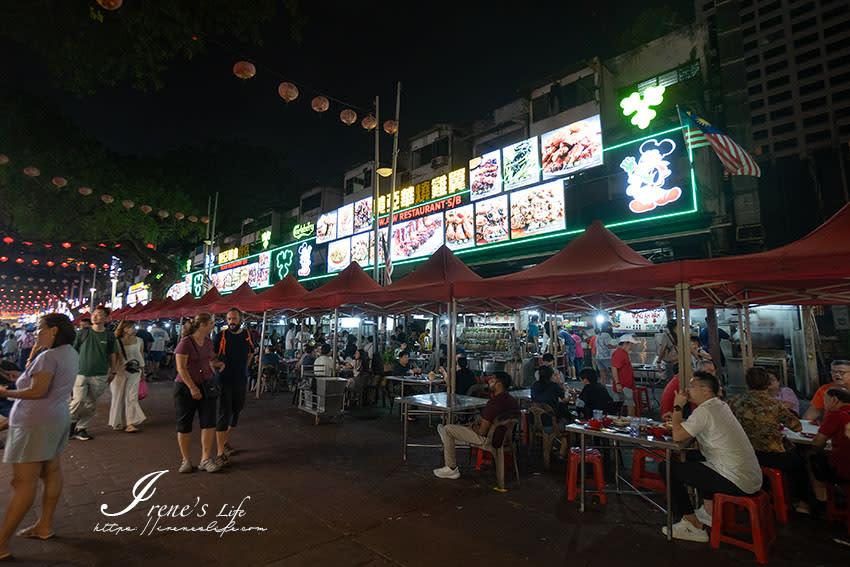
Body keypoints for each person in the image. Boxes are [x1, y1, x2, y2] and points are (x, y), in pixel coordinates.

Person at [0, 314, 78, 557]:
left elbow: (38, 391)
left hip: (34, 423)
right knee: (51, 471)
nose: (36, 332)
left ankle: (1, 544)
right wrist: (19, 379)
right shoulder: (69, 353)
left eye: (39, 328)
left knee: (22, 483)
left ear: (54, 330)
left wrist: (5, 393)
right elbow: (43, 384)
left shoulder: (49, 356)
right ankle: (43, 525)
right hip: (55, 418)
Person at [664, 371, 762, 542]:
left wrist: (677, 407)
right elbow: (697, 426)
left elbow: (678, 436)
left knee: (668, 469)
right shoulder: (719, 406)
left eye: (691, 385)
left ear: (705, 391)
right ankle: (708, 510)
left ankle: (692, 523)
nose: (687, 389)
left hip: (736, 479)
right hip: (750, 477)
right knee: (694, 456)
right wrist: (678, 419)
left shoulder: (705, 411)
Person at [730, 367, 809, 513]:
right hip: (771, 456)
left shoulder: (735, 402)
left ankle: (766, 493)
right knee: (800, 462)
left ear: (747, 383)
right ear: (767, 384)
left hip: (745, 455)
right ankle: (803, 503)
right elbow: (797, 427)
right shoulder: (774, 404)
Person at [433, 371, 520, 479]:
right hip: (506, 439)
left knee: (447, 429)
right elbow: (496, 419)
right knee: (457, 431)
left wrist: (473, 426)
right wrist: (481, 422)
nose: (489, 382)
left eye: (492, 380)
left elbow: (482, 432)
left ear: (499, 384)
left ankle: (451, 468)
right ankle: (449, 439)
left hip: (489, 440)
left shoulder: (493, 403)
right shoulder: (512, 401)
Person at [173, 313, 225, 474]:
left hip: (206, 386)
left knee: (208, 422)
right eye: (210, 323)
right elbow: (181, 367)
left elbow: (208, 360)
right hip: (185, 387)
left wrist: (216, 364)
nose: (212, 326)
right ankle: (185, 459)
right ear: (202, 325)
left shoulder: (209, 342)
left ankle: (205, 458)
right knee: (184, 423)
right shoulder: (185, 343)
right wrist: (192, 387)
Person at [69, 305, 118, 441]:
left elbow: (112, 353)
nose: (95, 316)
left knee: (91, 403)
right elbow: (72, 351)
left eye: (99, 314)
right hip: (80, 372)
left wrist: (113, 370)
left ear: (105, 317)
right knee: (77, 400)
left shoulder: (109, 335)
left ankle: (81, 428)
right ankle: (69, 424)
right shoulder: (83, 333)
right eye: (94, 314)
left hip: (100, 374)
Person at [213, 308, 253, 466]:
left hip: (240, 380)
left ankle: (225, 442)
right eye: (229, 319)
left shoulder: (246, 335)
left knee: (236, 411)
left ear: (241, 319)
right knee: (224, 412)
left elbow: (250, 353)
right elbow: (212, 358)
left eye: (234, 319)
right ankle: (220, 452)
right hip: (224, 380)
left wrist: (244, 367)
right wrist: (217, 365)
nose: (231, 322)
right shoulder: (220, 336)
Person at [809, 386, 850, 502]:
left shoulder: (836, 415)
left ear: (834, 400)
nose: (824, 404)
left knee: (811, 455)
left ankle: (821, 498)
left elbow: (817, 443)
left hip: (844, 469)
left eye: (825, 400)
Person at [109, 321, 146, 433]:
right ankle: (116, 422)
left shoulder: (140, 340)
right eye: (131, 327)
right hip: (120, 371)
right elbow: (113, 358)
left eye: (134, 327)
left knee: (132, 396)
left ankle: (131, 423)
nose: (134, 329)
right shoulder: (117, 341)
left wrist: (143, 371)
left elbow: (141, 355)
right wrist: (112, 371)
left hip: (135, 371)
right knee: (117, 396)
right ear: (124, 329)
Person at [611, 334, 637, 417]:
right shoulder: (619, 353)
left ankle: (624, 423)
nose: (632, 346)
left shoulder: (623, 353)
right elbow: (614, 368)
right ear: (625, 343)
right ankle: (632, 425)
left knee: (622, 406)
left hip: (625, 385)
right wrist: (618, 383)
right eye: (631, 344)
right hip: (623, 385)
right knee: (629, 405)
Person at [655, 319, 679, 384]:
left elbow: (662, 349)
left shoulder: (666, 335)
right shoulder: (680, 335)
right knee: (678, 381)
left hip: (671, 363)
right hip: (679, 361)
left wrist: (658, 361)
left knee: (671, 382)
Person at [595, 322, 615, 386]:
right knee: (614, 374)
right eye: (610, 326)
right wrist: (618, 347)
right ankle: (617, 388)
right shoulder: (606, 335)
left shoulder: (598, 335)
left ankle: (602, 390)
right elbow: (608, 346)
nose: (611, 328)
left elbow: (596, 347)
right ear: (607, 327)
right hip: (606, 357)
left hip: (598, 358)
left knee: (603, 376)